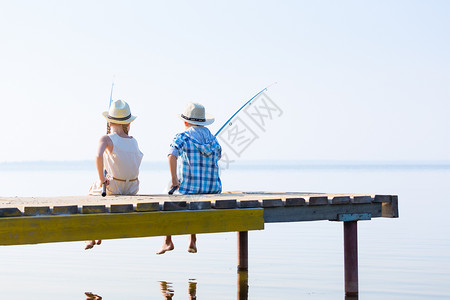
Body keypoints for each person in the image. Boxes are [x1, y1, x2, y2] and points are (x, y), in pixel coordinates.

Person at [157, 102, 222, 255]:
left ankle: (167, 241)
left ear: (185, 122)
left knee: (168, 193)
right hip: (212, 190)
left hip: (189, 190)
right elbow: (218, 155)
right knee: (193, 196)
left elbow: (172, 156)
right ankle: (192, 239)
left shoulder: (183, 136)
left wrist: (174, 180)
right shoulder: (213, 139)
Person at [86, 99, 143, 250]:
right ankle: (97, 234)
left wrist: (101, 179)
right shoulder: (134, 141)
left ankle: (93, 235)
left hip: (115, 186)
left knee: (92, 191)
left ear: (109, 122)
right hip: (132, 187)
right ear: (128, 124)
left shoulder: (106, 138)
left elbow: (98, 156)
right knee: (101, 190)